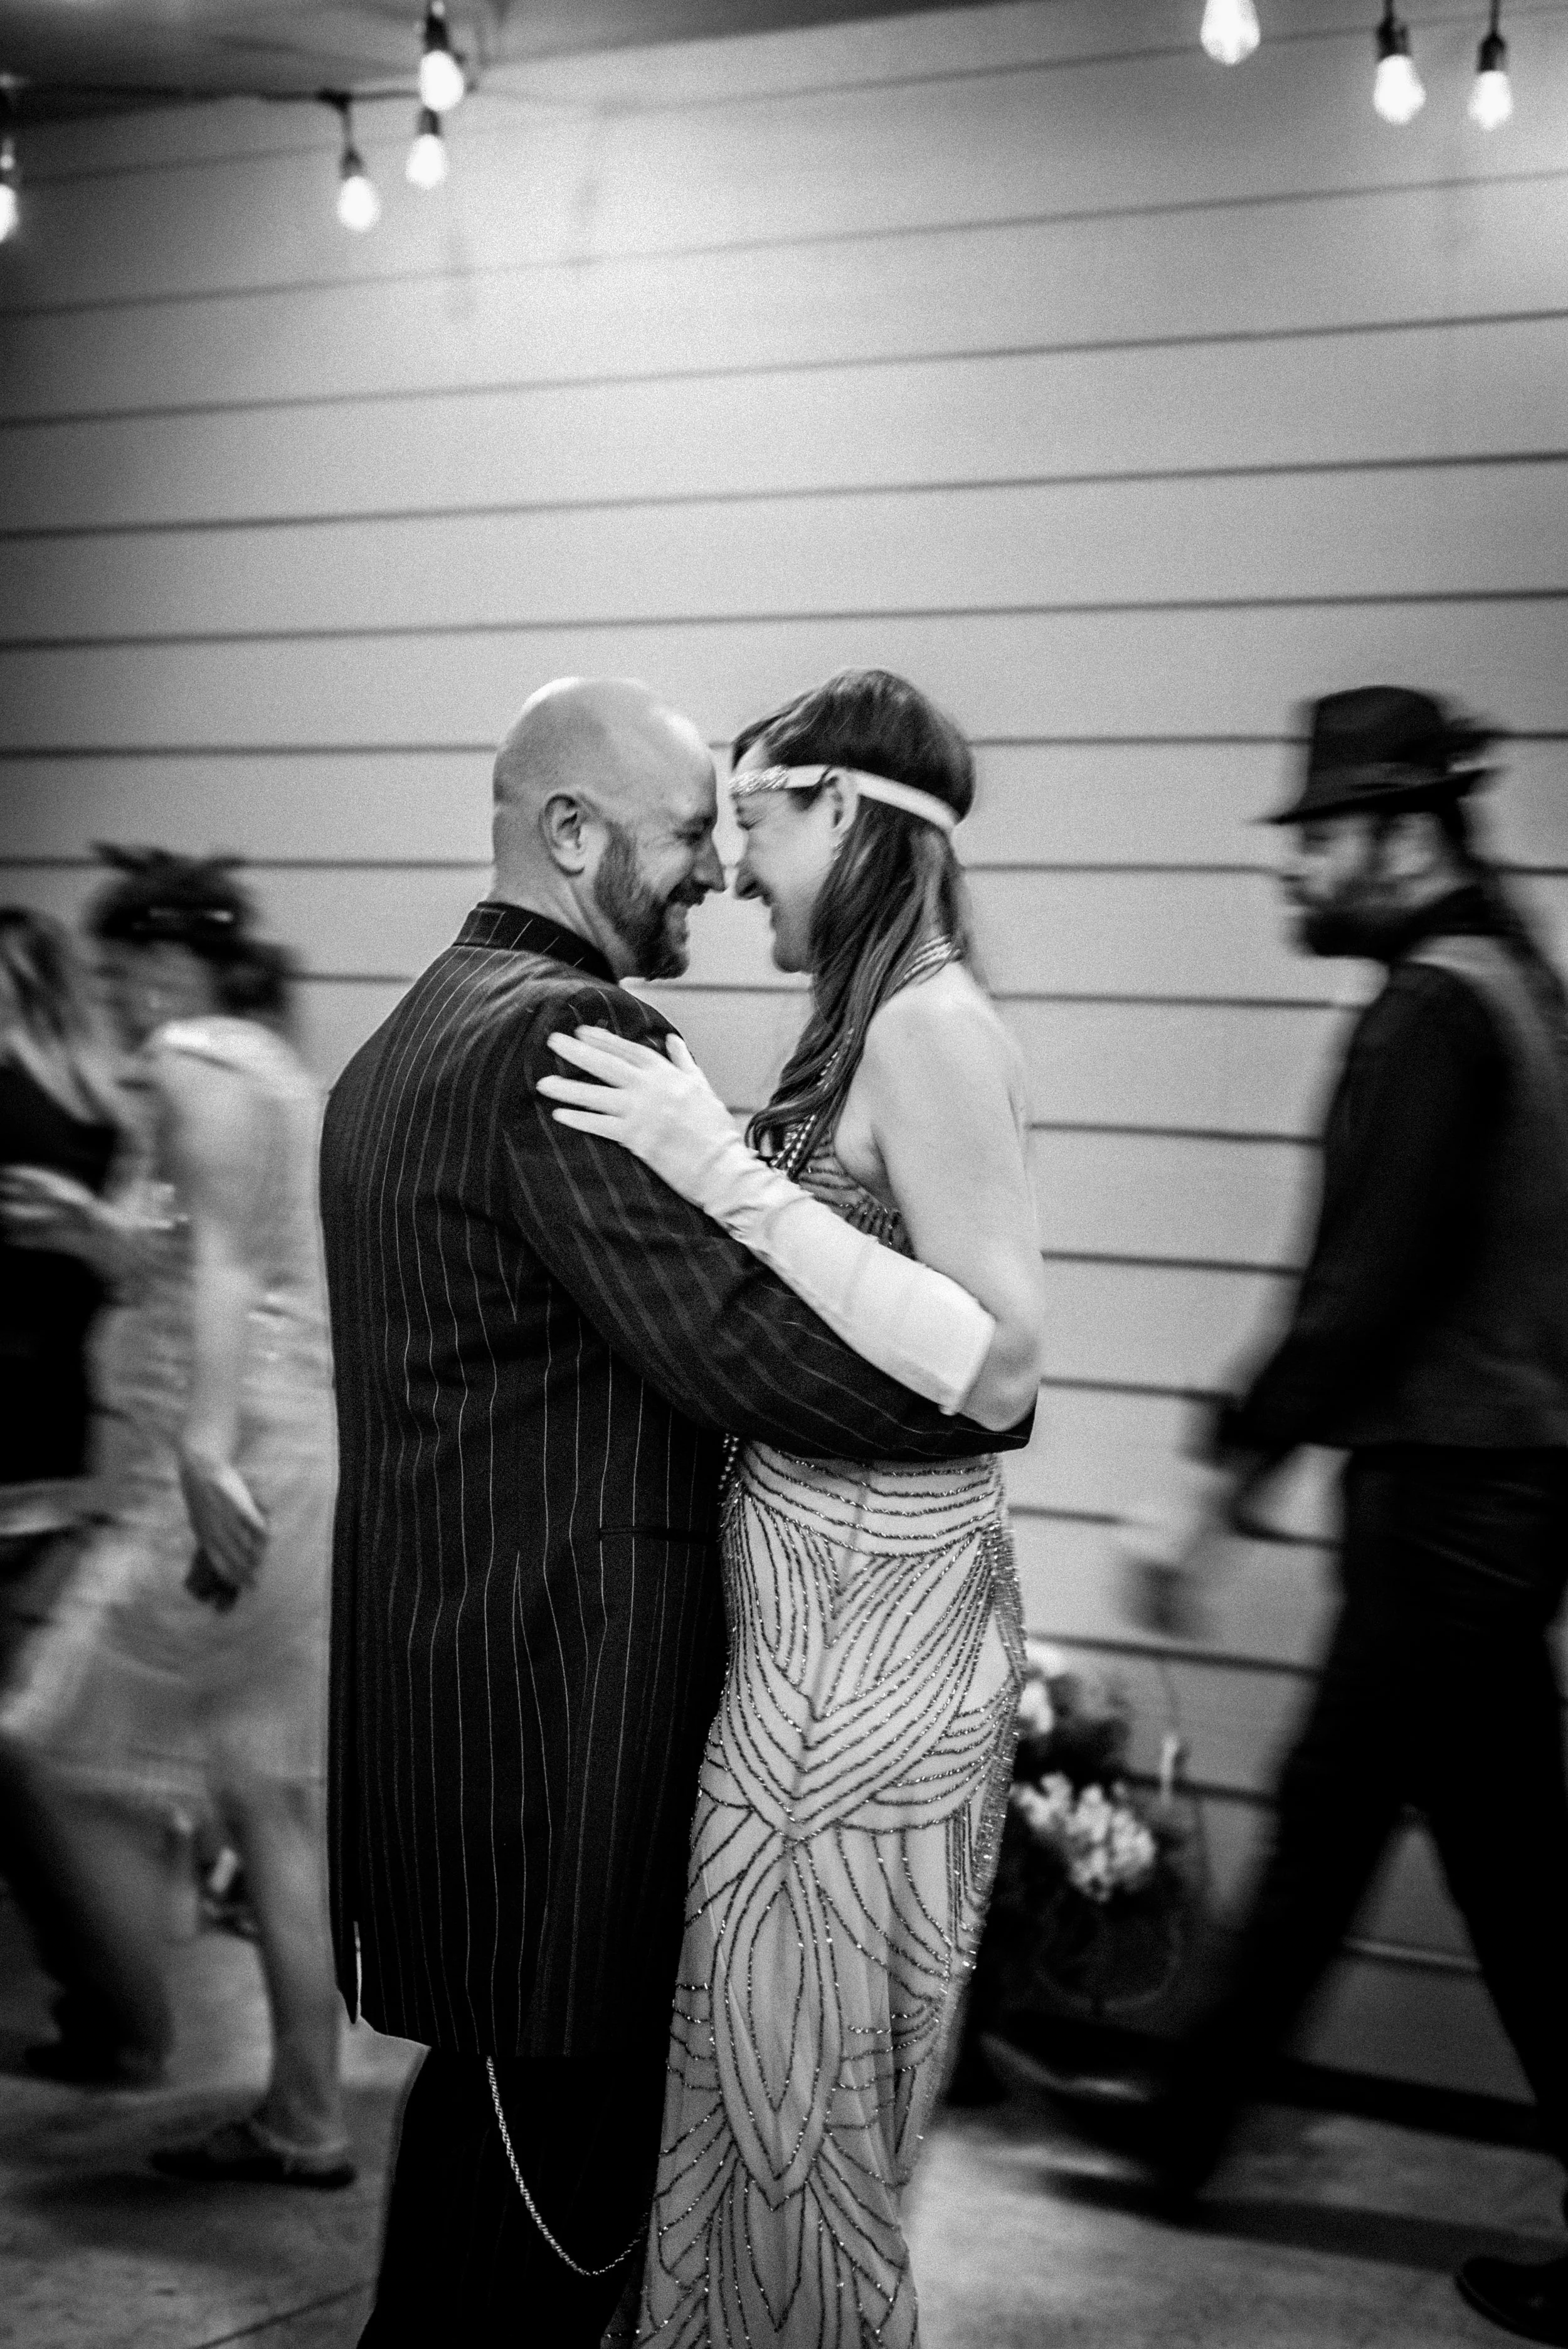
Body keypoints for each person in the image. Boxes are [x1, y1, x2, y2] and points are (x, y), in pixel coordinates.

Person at [319, 675, 1036, 2349]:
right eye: (688, 831)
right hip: (565, 1720)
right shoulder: (570, 1036)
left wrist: (969, 1368)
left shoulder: (413, 1028)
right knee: (550, 2206)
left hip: (468, 1688)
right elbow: (729, 1346)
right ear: (568, 834)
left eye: (740, 823)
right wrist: (960, 1411)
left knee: (503, 2155)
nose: (715, 866)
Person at [537, 665, 1047, 2345]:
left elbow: (996, 1370)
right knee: (751, 2104)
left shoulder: (930, 1023)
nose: (733, 864)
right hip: (806, 1649)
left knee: (802, 2130)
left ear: (841, 811)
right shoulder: (865, 1013)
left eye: (750, 819)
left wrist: (720, 1170)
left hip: (877, 1670)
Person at [1122, 688, 1568, 2345]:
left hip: (1449, 1501)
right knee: (1375, 1843)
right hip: (1486, 1496)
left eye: (1316, 840)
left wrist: (1209, 1475)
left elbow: (1360, 1291)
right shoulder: (1513, 988)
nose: (1294, 873)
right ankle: (1175, 2131)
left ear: (1402, 837)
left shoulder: (1432, 1015)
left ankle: (1172, 2130)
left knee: (1501, 1884)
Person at [0, 852, 349, 2184]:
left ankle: (131, 2009)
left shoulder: (200, 1057)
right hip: (291, 1453)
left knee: (39, 1736)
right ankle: (305, 2114)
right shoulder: (267, 1065)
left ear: (165, 963)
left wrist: (205, 1453)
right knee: (269, 1802)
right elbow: (195, 1246)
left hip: (234, 1468)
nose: (108, 996)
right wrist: (98, 1234)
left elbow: (225, 1265)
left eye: (113, 970)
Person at [0, 909, 137, 2078]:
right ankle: (110, 2001)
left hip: (16, 1429)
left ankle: (115, 2006)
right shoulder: (92, 1093)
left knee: (22, 1746)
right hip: (62, 1425)